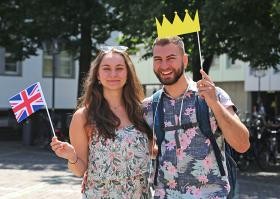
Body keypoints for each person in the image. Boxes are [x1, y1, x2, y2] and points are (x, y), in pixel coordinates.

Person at [142, 36, 250, 198]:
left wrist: (214, 103)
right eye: (158, 59)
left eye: (171, 58)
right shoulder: (149, 107)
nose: (164, 65)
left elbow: (242, 144)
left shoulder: (215, 95)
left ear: (185, 60)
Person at [50, 46, 154, 198]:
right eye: (106, 68)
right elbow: (79, 170)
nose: (113, 74)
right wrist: (71, 156)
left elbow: (154, 151)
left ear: (128, 74)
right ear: (97, 75)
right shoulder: (83, 117)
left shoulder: (143, 111)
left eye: (119, 68)